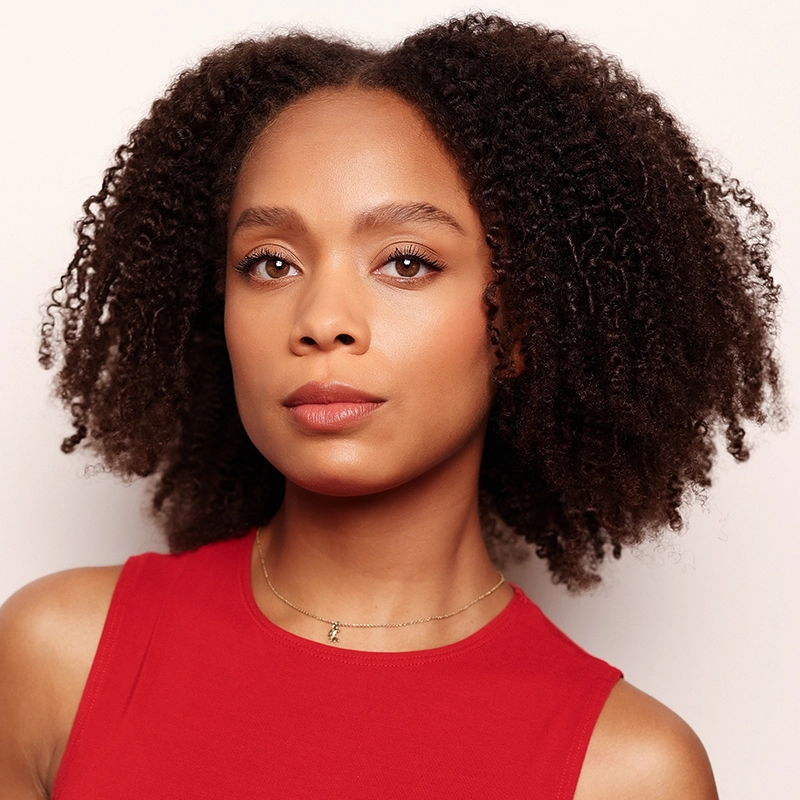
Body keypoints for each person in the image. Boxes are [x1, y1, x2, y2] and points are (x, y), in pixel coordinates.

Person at [0, 13, 780, 799]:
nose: (321, 320)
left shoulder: (629, 771)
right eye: (270, 263)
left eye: (406, 262)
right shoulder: (59, 655)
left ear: (518, 326)